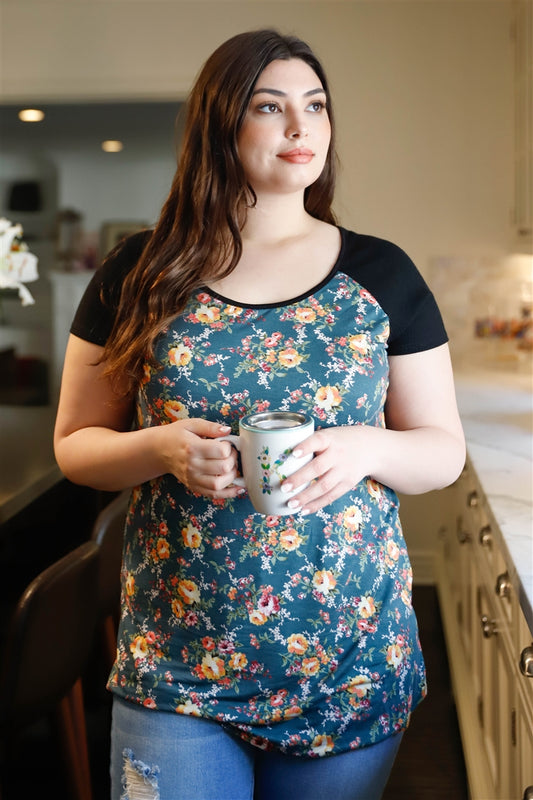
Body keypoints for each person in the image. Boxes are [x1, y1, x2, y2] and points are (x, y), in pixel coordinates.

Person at [54, 28, 465, 800]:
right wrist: (162, 448)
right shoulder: (138, 272)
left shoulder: (381, 273)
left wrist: (364, 447)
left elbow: (440, 451)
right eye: (270, 107)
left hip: (346, 665)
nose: (300, 127)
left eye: (314, 106)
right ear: (221, 124)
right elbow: (76, 446)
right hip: (177, 668)